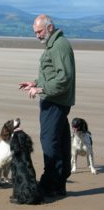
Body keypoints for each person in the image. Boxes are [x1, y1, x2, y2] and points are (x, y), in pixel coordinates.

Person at [19, 14, 75, 197]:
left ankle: (50, 183)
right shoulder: (54, 44)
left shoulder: (59, 45)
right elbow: (52, 74)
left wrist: (41, 90)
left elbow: (64, 78)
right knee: (61, 141)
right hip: (55, 101)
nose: (37, 36)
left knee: (49, 142)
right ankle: (58, 184)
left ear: (50, 28)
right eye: (35, 32)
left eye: (40, 31)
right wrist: (35, 83)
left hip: (54, 102)